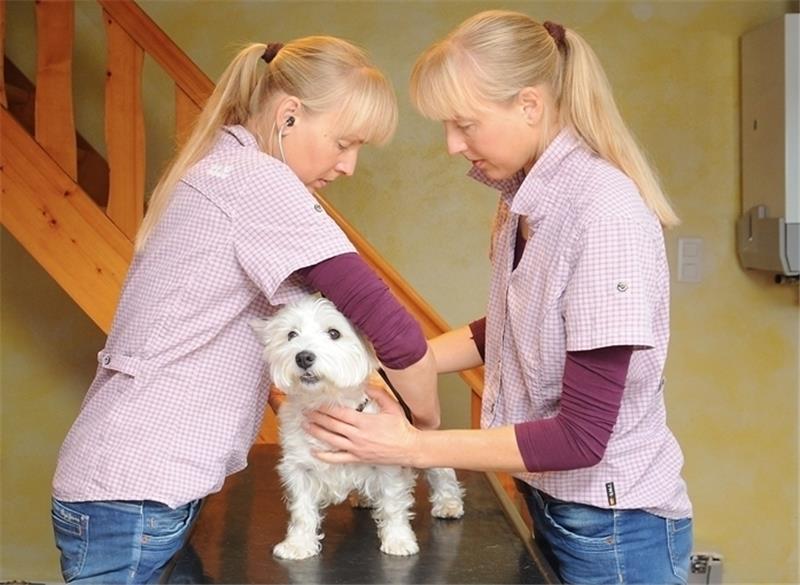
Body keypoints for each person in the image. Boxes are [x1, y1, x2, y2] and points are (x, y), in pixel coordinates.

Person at [305, 10, 693, 585]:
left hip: (616, 529)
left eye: (464, 124)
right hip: (555, 505)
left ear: (529, 105)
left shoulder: (605, 216)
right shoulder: (523, 199)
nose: (451, 145)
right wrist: (385, 367)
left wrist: (412, 447)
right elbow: (516, 325)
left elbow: (582, 438)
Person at [51, 36, 440, 584]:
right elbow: (392, 329)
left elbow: (321, 324)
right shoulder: (259, 181)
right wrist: (421, 431)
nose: (349, 166)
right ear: (288, 115)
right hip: (137, 496)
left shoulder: (219, 169)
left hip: (131, 485)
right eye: (344, 143)